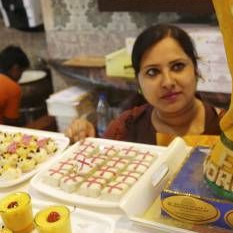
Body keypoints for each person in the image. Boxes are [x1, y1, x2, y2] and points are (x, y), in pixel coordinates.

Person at [66, 24, 222, 145]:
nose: (168, 82)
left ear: (195, 69)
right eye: (153, 72)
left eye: (177, 66)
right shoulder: (123, 131)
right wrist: (85, 139)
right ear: (138, 82)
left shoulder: (229, 128)